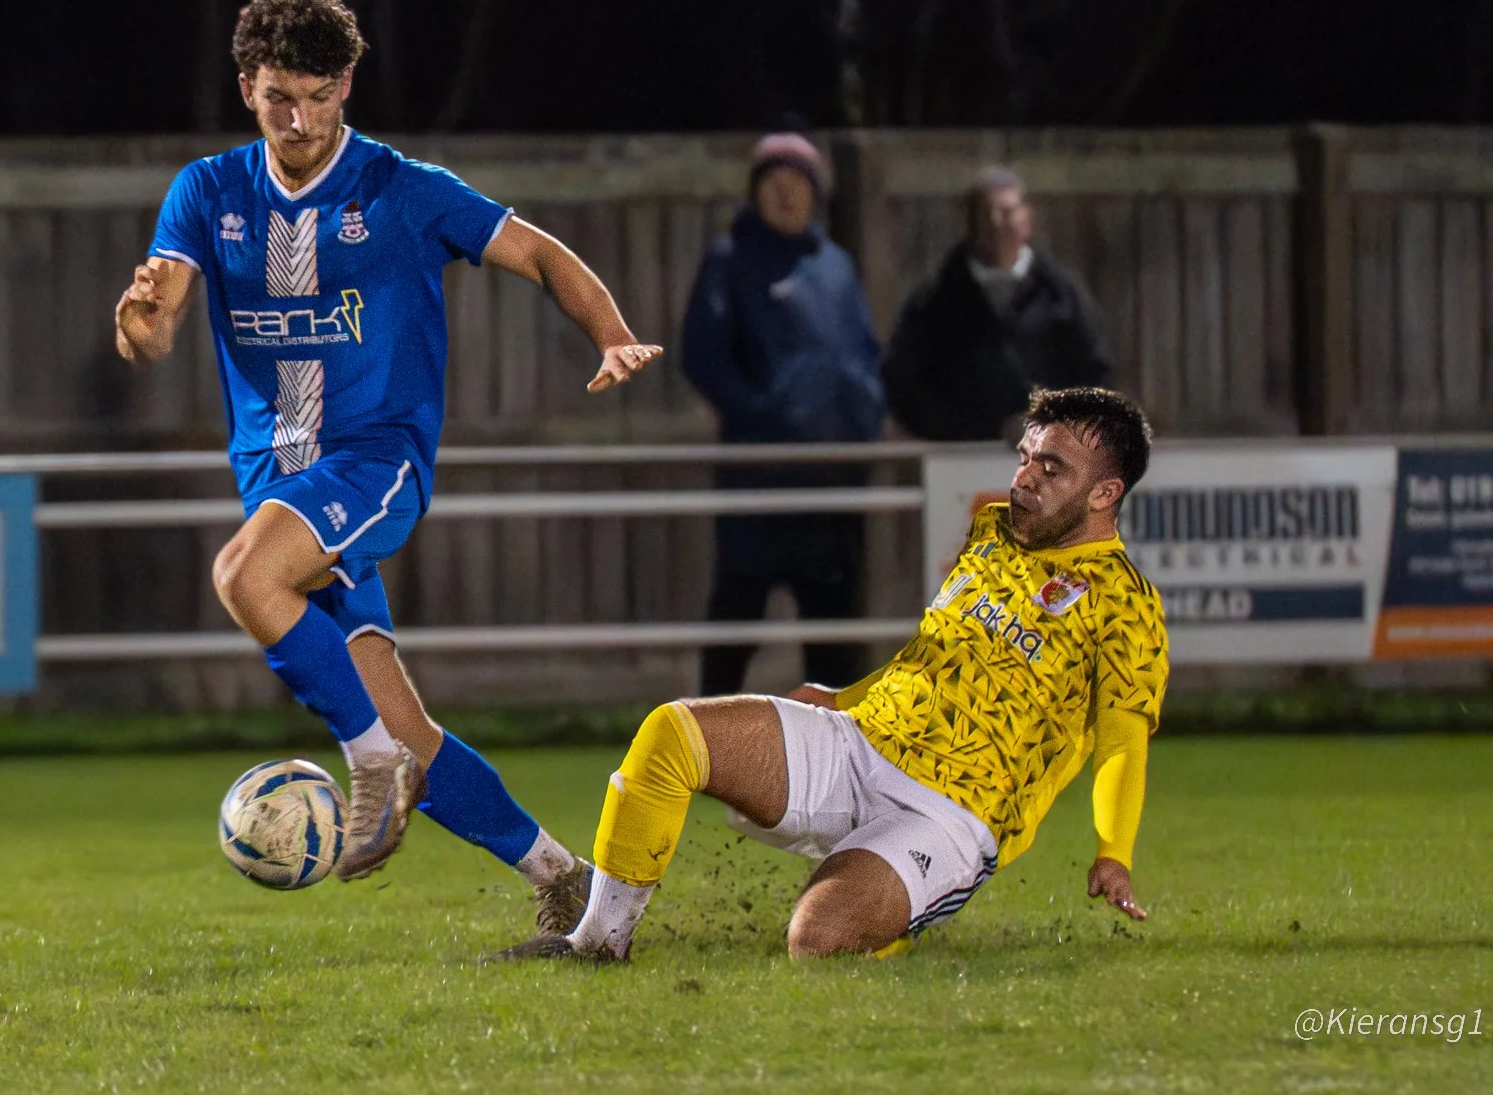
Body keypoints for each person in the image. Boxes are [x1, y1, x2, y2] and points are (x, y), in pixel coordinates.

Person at [114, 0, 661, 929]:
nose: (299, 118)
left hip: (376, 463)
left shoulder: (402, 190)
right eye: (280, 96)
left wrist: (611, 333)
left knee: (244, 575)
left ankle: (368, 764)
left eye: (319, 95)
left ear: (347, 86)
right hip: (281, 487)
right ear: (248, 87)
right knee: (408, 725)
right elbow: (154, 329)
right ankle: (566, 880)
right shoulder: (207, 192)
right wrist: (138, 328)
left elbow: (538, 254)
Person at [492, 386, 1166, 962]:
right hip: (861, 740)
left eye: (1053, 468)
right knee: (672, 734)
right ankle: (598, 944)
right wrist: (845, 697)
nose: (1025, 478)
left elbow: (1123, 739)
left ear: (1106, 491)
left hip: (952, 813)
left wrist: (1114, 849)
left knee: (816, 939)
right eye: (1025, 457)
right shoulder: (991, 531)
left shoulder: (1125, 602)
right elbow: (943, 649)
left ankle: (892, 900)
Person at [680, 133, 884, 695]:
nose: (787, 196)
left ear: (816, 194)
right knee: (738, 614)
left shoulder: (836, 266)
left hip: (831, 478)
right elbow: (703, 354)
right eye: (775, 184)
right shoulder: (731, 259)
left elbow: (861, 354)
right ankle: (704, 744)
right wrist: (762, 413)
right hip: (760, 474)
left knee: (834, 626)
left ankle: (836, 756)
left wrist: (866, 423)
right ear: (755, 193)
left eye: (798, 185)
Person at [883, 166, 1113, 442]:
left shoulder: (1062, 297)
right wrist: (965, 431)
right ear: (969, 222)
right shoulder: (934, 303)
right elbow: (905, 384)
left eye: (1006, 212)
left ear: (1027, 219)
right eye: (985, 213)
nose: (995, 222)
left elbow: (1095, 372)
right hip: (961, 465)